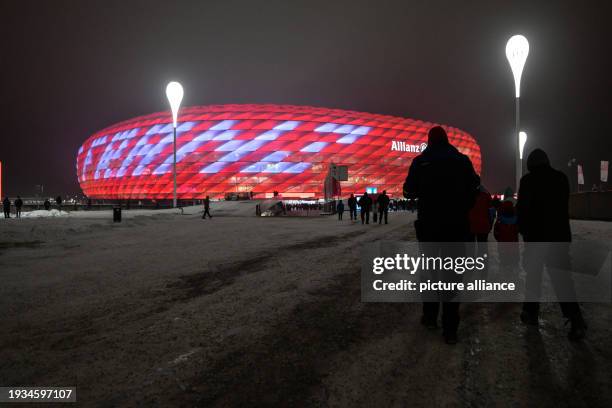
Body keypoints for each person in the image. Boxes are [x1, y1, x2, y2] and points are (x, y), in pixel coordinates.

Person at [403, 126, 479, 344]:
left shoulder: (420, 162)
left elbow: (408, 191)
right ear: (447, 141)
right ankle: (450, 329)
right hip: (456, 227)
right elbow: (475, 186)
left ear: (429, 141)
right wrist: (463, 206)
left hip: (429, 227)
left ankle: (429, 318)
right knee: (452, 277)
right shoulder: (462, 161)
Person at [517, 148, 587, 341]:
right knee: (563, 282)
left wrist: (524, 232)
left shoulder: (527, 181)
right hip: (559, 239)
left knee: (533, 278)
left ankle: (530, 312)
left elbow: (522, 212)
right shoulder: (561, 178)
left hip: (536, 240)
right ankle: (576, 320)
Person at [494, 200, 519, 271]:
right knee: (512, 253)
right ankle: (511, 264)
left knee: (503, 253)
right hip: (512, 241)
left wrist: (497, 238)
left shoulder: (500, 219)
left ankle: (504, 264)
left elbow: (496, 231)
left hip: (502, 241)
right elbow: (517, 231)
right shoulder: (516, 218)